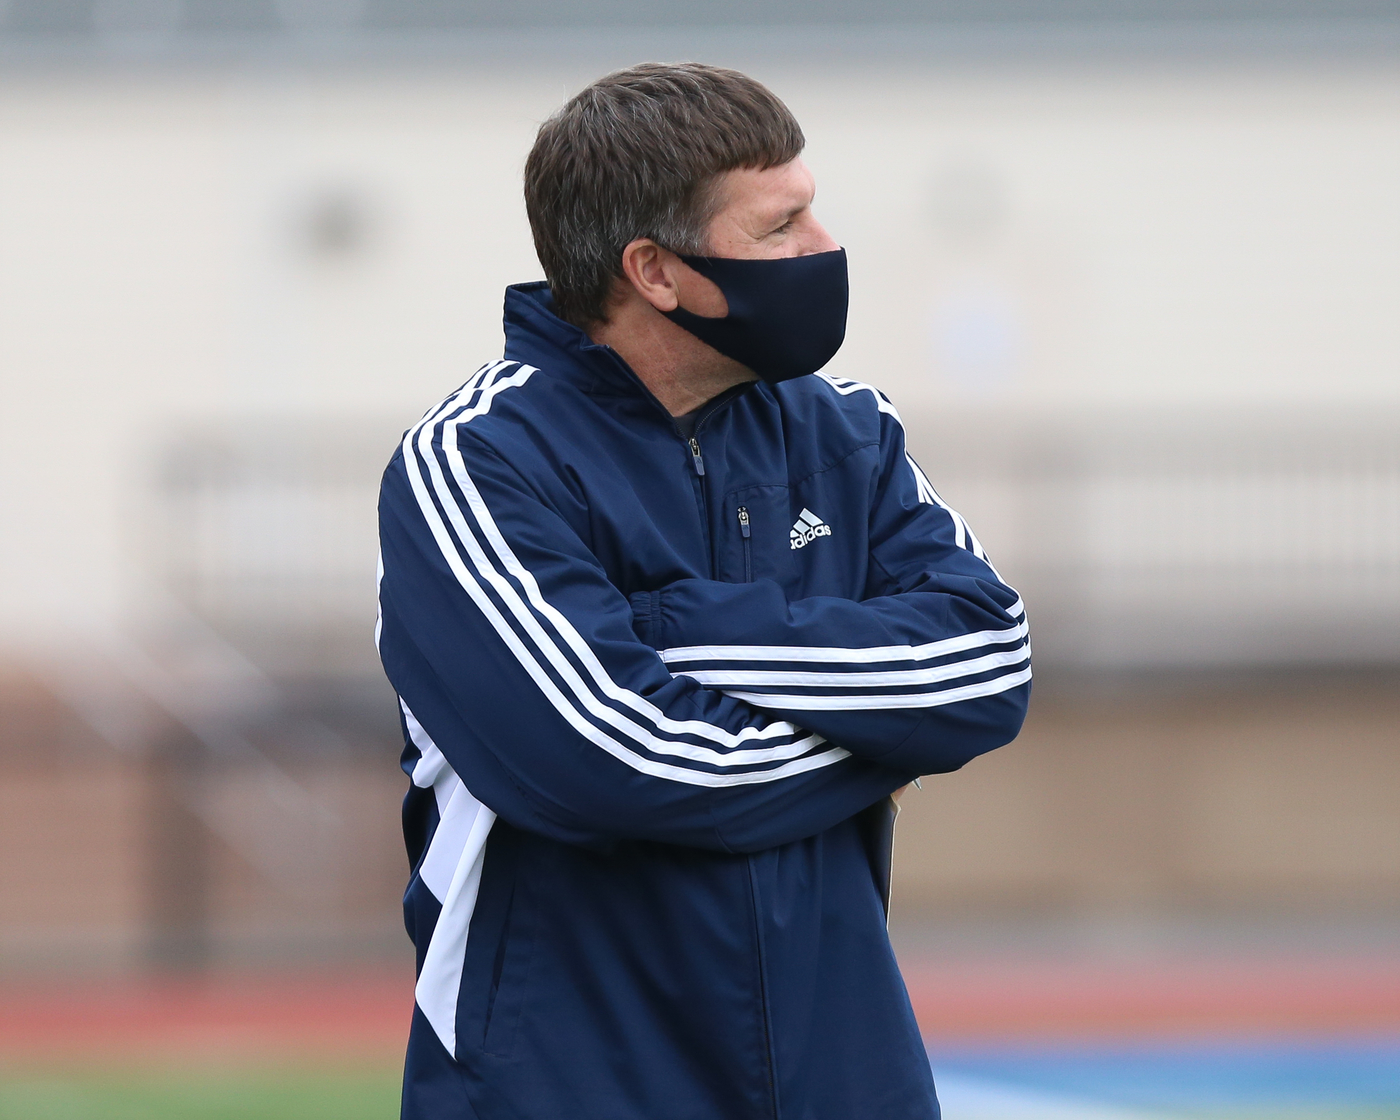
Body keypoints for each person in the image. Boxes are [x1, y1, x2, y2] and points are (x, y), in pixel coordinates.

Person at [376, 61, 1030, 1120]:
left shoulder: (846, 428)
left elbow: (986, 663)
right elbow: (621, 759)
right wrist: (876, 746)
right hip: (570, 1082)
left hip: (846, 1072)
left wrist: (680, 626)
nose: (823, 247)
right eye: (778, 227)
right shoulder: (475, 462)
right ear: (655, 271)